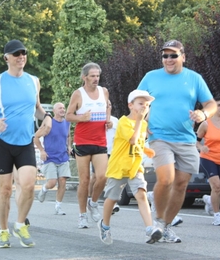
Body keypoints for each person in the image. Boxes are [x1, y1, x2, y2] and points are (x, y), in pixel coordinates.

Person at [137, 40, 217, 243]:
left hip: (186, 139)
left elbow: (211, 104)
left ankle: (164, 226)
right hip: (159, 136)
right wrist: (142, 123)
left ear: (183, 56)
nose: (169, 59)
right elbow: (137, 102)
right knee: (166, 179)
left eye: (173, 55)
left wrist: (203, 114)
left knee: (181, 185)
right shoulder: (151, 77)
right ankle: (156, 219)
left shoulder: (194, 78)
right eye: (165, 55)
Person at [0, 39, 52, 248]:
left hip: (25, 141)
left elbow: (37, 108)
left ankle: (19, 224)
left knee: (29, 185)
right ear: (7, 58)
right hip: (2, 141)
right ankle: (3, 231)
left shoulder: (34, 80)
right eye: (16, 54)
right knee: (5, 190)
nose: (21, 56)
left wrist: (46, 116)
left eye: (23, 53)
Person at [98, 90, 162, 245]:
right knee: (112, 199)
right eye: (141, 104)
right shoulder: (124, 122)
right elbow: (132, 140)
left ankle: (149, 229)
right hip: (119, 166)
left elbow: (137, 144)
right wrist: (140, 121)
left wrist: (146, 150)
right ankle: (104, 225)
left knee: (141, 194)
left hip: (134, 166)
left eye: (147, 105)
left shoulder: (144, 123)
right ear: (130, 105)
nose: (144, 107)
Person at [65, 62, 112, 229]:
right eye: (92, 76)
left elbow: (108, 106)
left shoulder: (104, 91)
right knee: (84, 181)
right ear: (84, 77)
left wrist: (108, 121)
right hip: (83, 141)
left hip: (100, 140)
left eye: (97, 76)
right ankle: (82, 215)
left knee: (103, 176)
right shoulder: (78, 94)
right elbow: (68, 116)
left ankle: (93, 202)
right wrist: (81, 118)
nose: (95, 79)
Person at [196, 97, 220, 226]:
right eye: (218, 105)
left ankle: (209, 199)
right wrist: (202, 147)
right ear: (213, 108)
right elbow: (195, 140)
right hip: (208, 158)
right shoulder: (206, 124)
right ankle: (217, 216)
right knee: (216, 187)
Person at [35, 102, 71, 215]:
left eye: (63, 108)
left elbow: (68, 136)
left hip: (63, 157)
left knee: (63, 181)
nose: (62, 110)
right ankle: (44, 189)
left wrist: (69, 146)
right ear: (54, 111)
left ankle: (58, 206)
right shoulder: (48, 123)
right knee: (52, 183)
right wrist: (41, 150)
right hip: (50, 157)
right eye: (60, 108)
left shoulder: (67, 123)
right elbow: (36, 137)